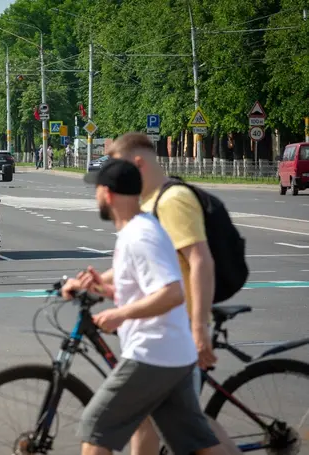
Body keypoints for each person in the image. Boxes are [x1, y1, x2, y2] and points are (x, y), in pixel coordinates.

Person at [62, 159, 223, 455]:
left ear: (108, 193)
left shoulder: (141, 235)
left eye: (96, 189)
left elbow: (172, 294)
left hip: (153, 355)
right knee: (200, 444)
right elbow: (145, 291)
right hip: (172, 355)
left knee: (95, 426)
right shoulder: (138, 230)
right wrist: (102, 288)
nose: (95, 196)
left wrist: (119, 315)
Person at [103, 132, 240, 455]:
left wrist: (198, 328)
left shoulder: (172, 200)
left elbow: (199, 260)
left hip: (178, 332)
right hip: (162, 335)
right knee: (156, 423)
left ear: (137, 164)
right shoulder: (149, 203)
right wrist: (95, 282)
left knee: (194, 428)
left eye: (121, 170)